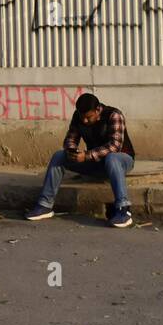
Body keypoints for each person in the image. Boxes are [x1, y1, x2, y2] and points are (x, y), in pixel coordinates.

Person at [25, 93, 136, 228]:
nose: (85, 121)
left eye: (88, 117)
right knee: (59, 156)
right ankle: (45, 205)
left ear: (97, 110)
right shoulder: (78, 117)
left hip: (121, 160)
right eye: (82, 117)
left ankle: (123, 210)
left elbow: (115, 147)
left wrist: (87, 155)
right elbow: (71, 139)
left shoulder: (114, 115)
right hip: (96, 162)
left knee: (112, 158)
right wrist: (72, 151)